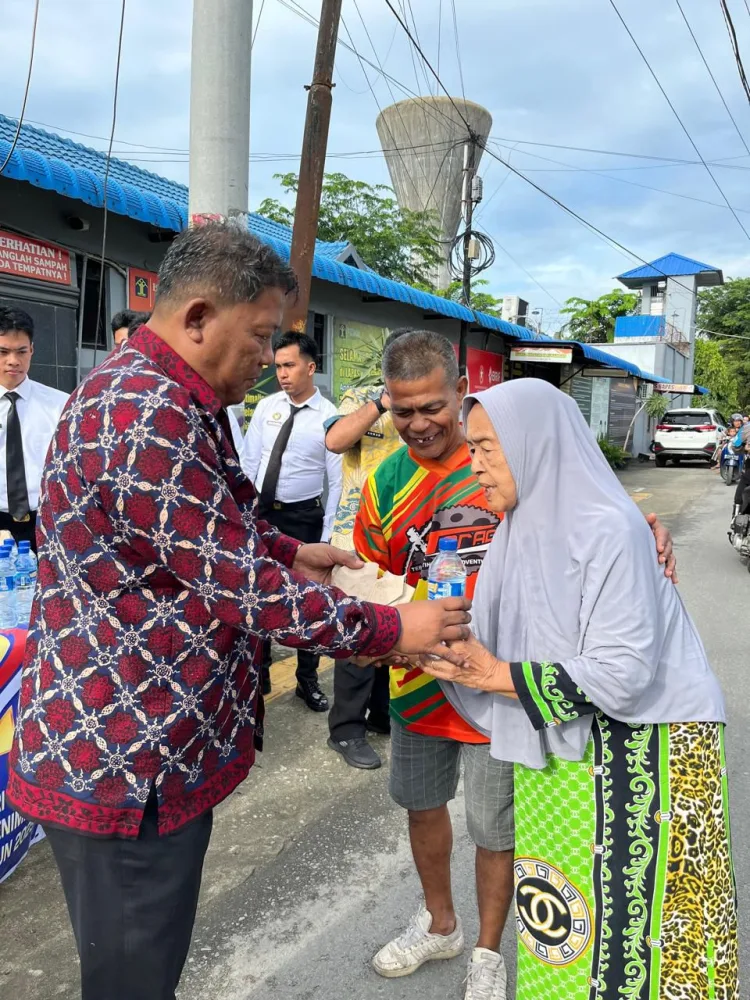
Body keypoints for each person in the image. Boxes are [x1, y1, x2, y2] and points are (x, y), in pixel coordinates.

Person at [7, 223, 471, 1000]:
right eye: (258, 337)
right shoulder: (144, 414)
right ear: (196, 318)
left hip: (145, 747)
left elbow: (210, 529)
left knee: (147, 965)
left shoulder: (164, 396)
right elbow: (244, 591)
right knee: (131, 979)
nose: (267, 358)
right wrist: (396, 628)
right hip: (127, 763)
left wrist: (294, 552)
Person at [357, 332, 676, 1000]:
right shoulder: (384, 482)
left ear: (459, 394)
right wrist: (377, 632)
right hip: (418, 686)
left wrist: (644, 522)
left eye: (432, 407)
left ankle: (487, 953)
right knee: (422, 807)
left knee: (497, 828)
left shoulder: (508, 454)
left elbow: (584, 509)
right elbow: (369, 577)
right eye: (403, 410)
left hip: (507, 688)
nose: (418, 424)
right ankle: (441, 922)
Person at [419, 378, 737, 1000]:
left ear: (535, 445)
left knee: (647, 942)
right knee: (566, 928)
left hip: (648, 759)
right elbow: (493, 628)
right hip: (566, 753)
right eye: (472, 447)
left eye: (486, 447)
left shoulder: (608, 528)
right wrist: (407, 637)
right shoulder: (520, 528)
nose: (472, 462)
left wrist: (491, 674)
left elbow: (620, 671)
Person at [240, 331, 342, 711]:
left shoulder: (330, 417)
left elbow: (337, 481)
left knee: (307, 601)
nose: (281, 373)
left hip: (304, 518)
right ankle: (260, 670)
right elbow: (250, 461)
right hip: (263, 514)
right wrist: (245, 513)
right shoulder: (268, 407)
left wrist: (328, 536)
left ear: (311, 367)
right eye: (278, 365)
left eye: (289, 365)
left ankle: (307, 679)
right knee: (258, 591)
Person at [326, 331, 405, 769]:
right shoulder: (358, 398)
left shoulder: (421, 406)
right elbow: (335, 441)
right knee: (357, 628)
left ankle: (380, 716)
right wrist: (380, 403)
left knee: (394, 622)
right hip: (356, 535)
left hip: (404, 536)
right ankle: (346, 731)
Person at [0, 306, 68, 551]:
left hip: (48, 522)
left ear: (32, 351)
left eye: (21, 351)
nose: (13, 361)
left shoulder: (60, 404)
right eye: (3, 351)